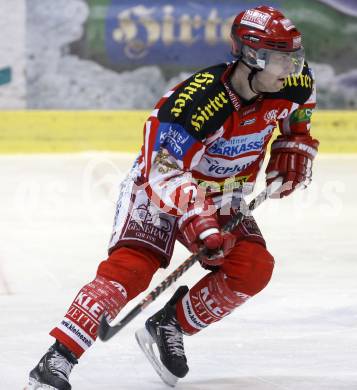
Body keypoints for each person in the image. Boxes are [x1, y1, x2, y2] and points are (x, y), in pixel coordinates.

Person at [26, 5, 319, 389]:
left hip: (224, 192)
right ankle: (56, 360)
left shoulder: (292, 83)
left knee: (252, 267)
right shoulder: (195, 104)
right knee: (132, 270)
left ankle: (168, 324)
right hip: (159, 188)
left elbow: (301, 110)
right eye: (282, 60)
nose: (292, 69)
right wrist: (197, 219)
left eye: (293, 58)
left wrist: (295, 144)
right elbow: (163, 170)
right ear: (252, 56)